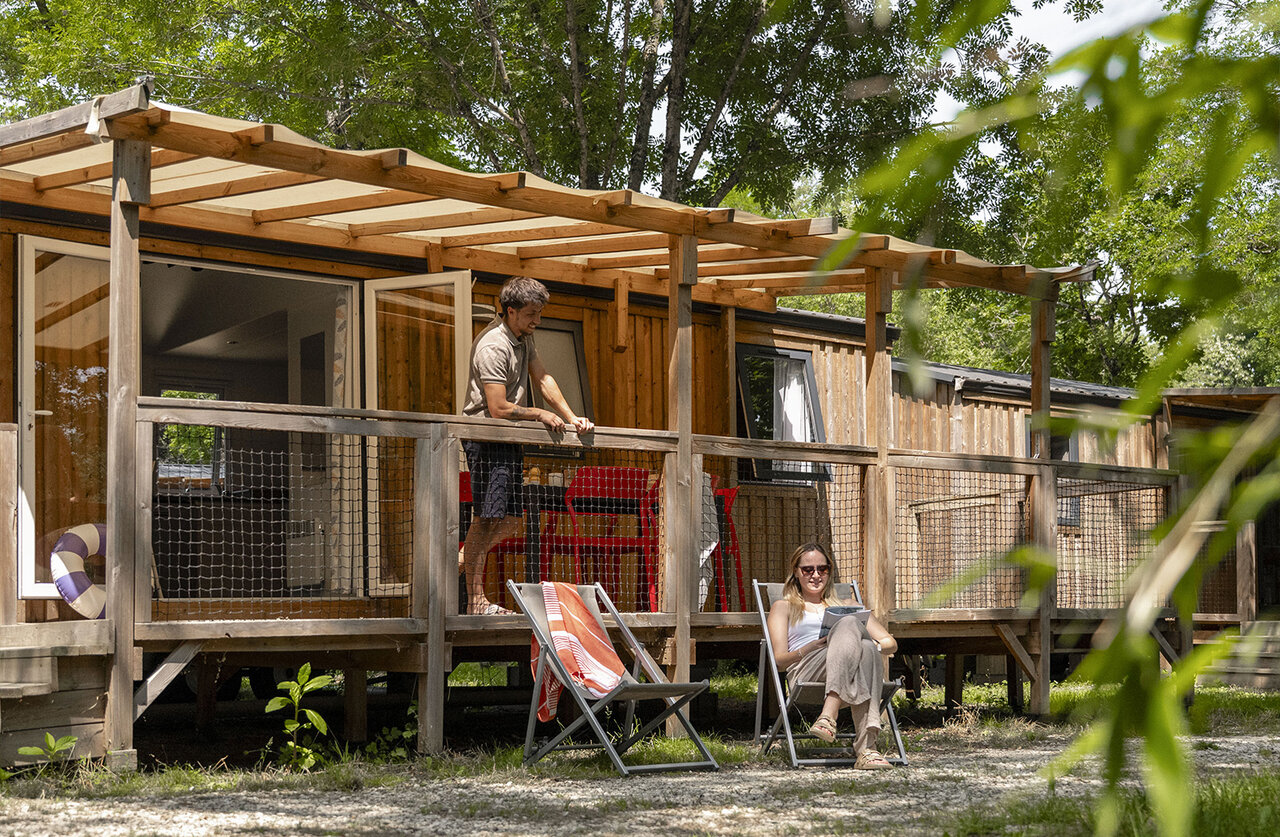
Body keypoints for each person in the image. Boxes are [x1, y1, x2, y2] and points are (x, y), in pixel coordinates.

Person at [460, 277, 594, 615]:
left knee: (511, 519)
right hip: (485, 437)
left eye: (540, 314)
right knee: (486, 518)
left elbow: (544, 379)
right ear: (511, 311)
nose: (537, 321)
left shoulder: (524, 338)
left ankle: (463, 557)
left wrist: (571, 416)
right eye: (532, 314)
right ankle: (476, 600)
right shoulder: (494, 345)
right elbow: (498, 408)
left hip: (508, 438)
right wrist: (539, 414)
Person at [766, 542, 898, 769]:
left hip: (846, 671)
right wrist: (811, 647)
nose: (816, 575)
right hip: (807, 669)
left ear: (829, 571)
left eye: (822, 569)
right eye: (808, 570)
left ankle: (854, 739)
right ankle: (860, 741)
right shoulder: (783, 607)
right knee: (848, 622)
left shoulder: (849, 604)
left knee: (866, 647)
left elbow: (890, 643)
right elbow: (779, 661)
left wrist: (861, 646)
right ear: (796, 573)